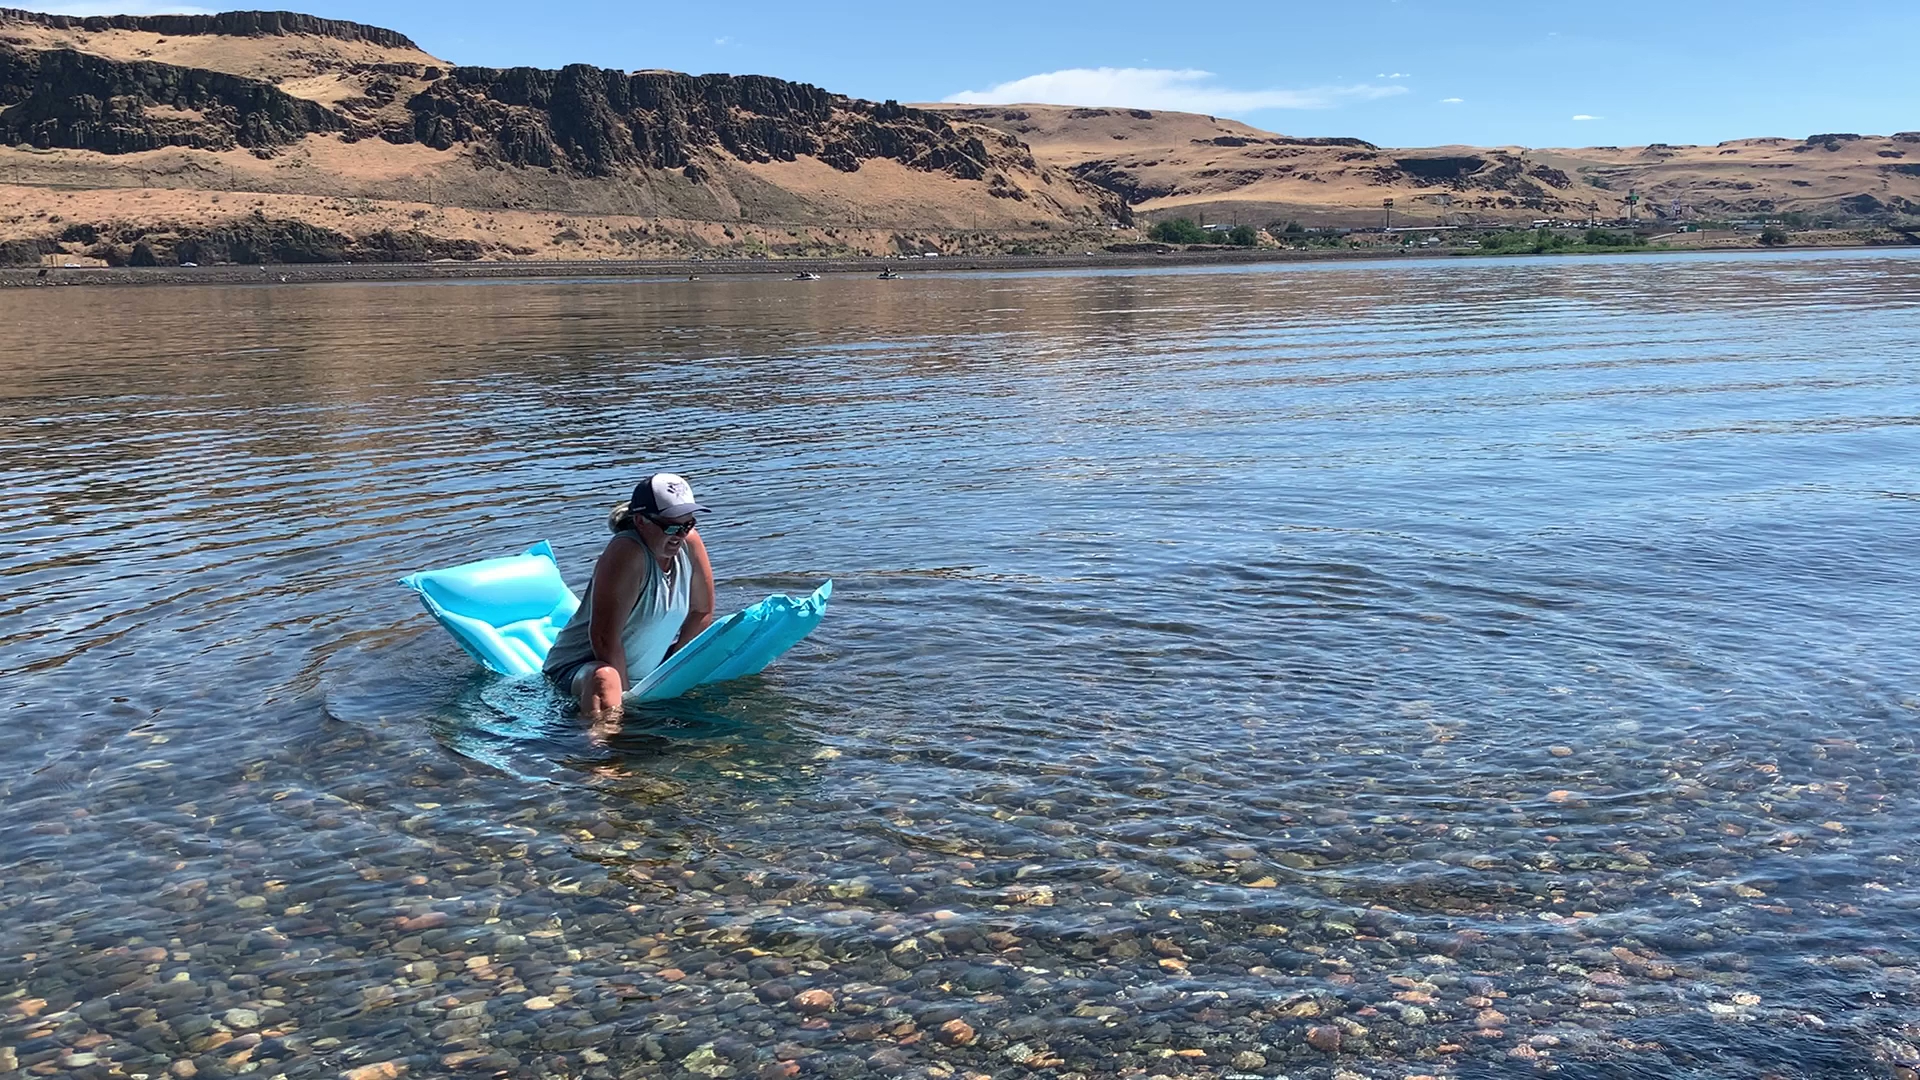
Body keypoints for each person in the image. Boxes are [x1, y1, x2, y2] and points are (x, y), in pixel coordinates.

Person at [543, 473, 715, 722]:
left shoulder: (690, 542)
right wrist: (630, 704)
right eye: (671, 526)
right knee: (606, 679)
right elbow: (604, 637)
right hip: (579, 668)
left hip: (642, 668)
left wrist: (671, 672)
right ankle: (598, 753)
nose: (680, 535)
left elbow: (702, 612)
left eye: (687, 524)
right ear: (641, 521)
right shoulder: (627, 552)